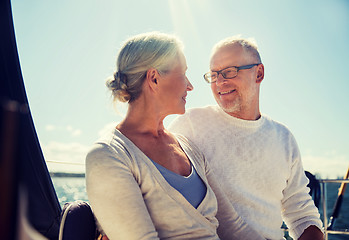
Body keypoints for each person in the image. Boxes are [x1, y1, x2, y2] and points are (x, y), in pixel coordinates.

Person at [85, 32, 263, 240]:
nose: (190, 86)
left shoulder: (188, 148)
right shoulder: (108, 156)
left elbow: (232, 226)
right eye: (183, 74)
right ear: (154, 79)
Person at [168, 36, 324, 240]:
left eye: (230, 72)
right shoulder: (189, 125)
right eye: (214, 75)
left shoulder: (283, 138)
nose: (220, 82)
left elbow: (302, 214)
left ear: (259, 73)